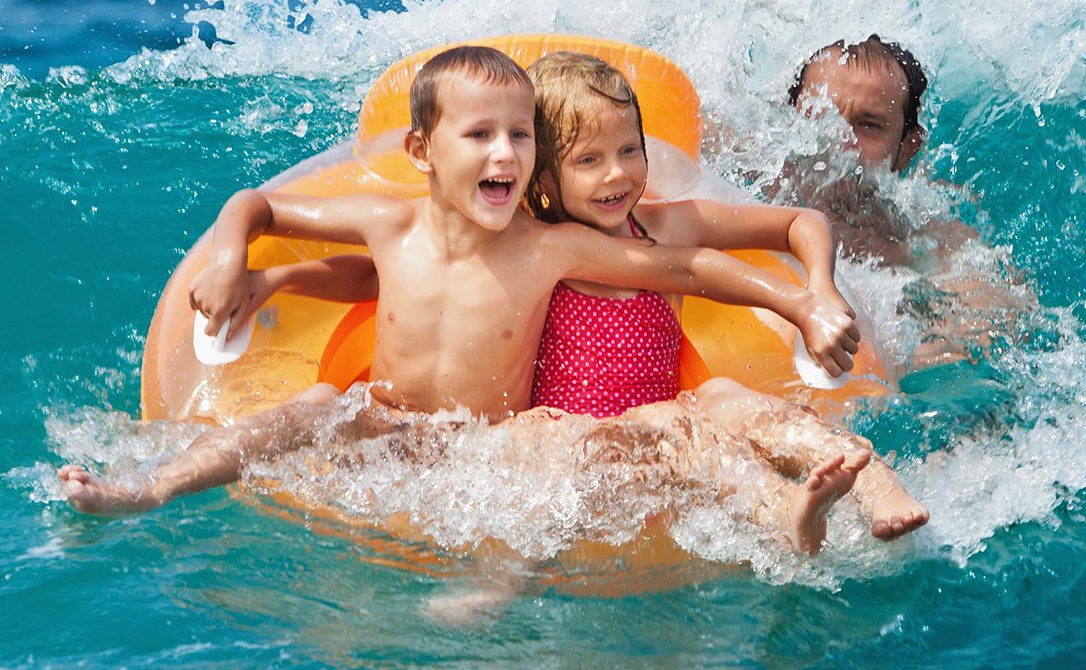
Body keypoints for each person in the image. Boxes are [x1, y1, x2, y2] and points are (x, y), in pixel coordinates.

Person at [58, 46, 867, 556]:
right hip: (378, 420)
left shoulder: (549, 245)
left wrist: (799, 303)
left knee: (560, 457)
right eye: (480, 135)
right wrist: (239, 265)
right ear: (420, 150)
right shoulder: (385, 222)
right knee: (303, 408)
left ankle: (782, 521)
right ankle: (149, 489)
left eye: (520, 136)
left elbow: (688, 272)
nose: (504, 154)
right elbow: (256, 205)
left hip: (490, 445)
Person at [257, 51, 929, 542]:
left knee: (725, 405)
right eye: (588, 160)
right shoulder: (525, 242)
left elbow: (795, 223)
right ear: (540, 172)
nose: (618, 175)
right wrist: (276, 280)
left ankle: (865, 486)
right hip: (573, 438)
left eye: (630, 151)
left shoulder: (664, 223)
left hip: (661, 415)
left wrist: (815, 292)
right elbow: (386, 279)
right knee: (603, 433)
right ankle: (779, 515)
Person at [787, 34, 1036, 368]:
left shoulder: (921, 243)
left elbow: (1001, 314)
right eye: (820, 115)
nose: (840, 140)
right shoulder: (750, 182)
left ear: (906, 149)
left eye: (868, 125)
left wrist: (927, 356)